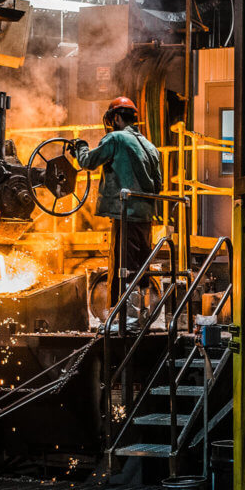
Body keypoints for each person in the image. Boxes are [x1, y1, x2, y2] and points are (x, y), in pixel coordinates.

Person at [71, 97, 162, 329]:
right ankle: (138, 317)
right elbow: (158, 184)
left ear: (117, 118)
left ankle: (126, 321)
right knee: (141, 267)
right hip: (145, 216)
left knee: (124, 267)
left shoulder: (116, 138)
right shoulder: (151, 147)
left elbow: (88, 161)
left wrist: (79, 146)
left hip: (126, 214)